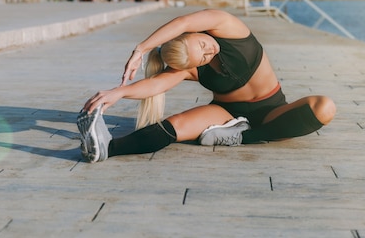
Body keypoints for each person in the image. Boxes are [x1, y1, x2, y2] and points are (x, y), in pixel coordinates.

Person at [78, 9, 336, 162]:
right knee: (176, 126)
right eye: (200, 58)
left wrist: (141, 48)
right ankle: (107, 148)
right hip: (227, 112)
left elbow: (183, 21)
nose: (207, 53)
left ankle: (242, 136)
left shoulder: (227, 26)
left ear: (195, 34)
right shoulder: (190, 66)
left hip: (271, 110)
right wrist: (119, 92)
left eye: (201, 45)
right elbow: (156, 85)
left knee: (324, 108)